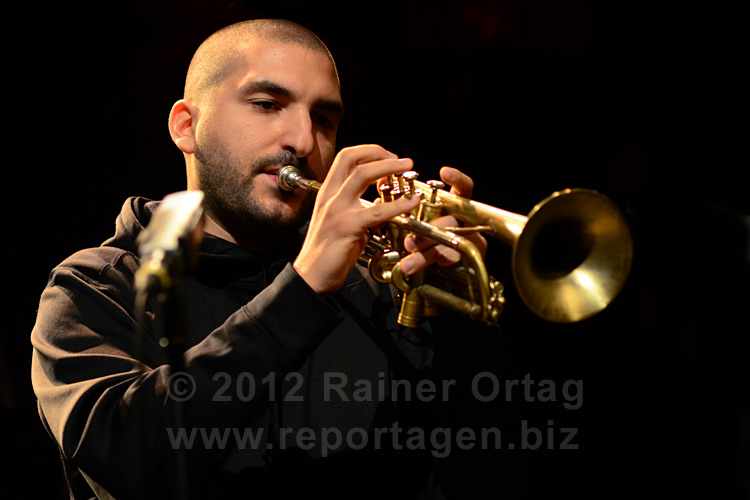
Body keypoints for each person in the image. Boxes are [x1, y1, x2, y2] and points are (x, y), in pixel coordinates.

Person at [31, 19, 497, 500]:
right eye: (267, 105)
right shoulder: (93, 287)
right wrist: (304, 286)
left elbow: (452, 459)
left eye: (324, 120)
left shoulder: (373, 284)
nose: (302, 140)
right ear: (187, 127)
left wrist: (457, 320)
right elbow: (130, 458)